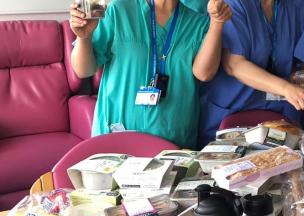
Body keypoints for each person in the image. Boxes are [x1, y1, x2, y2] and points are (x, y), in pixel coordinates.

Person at [71, 0, 232, 151]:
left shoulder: (198, 23)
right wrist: (83, 38)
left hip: (172, 145)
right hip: (116, 140)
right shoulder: (119, 10)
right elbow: (83, 70)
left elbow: (204, 73)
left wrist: (217, 23)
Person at [199, 0, 304, 138]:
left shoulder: (291, 7)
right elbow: (234, 65)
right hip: (234, 113)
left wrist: (300, 81)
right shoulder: (234, 4)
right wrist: (286, 88)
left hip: (281, 114)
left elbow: (288, 62)